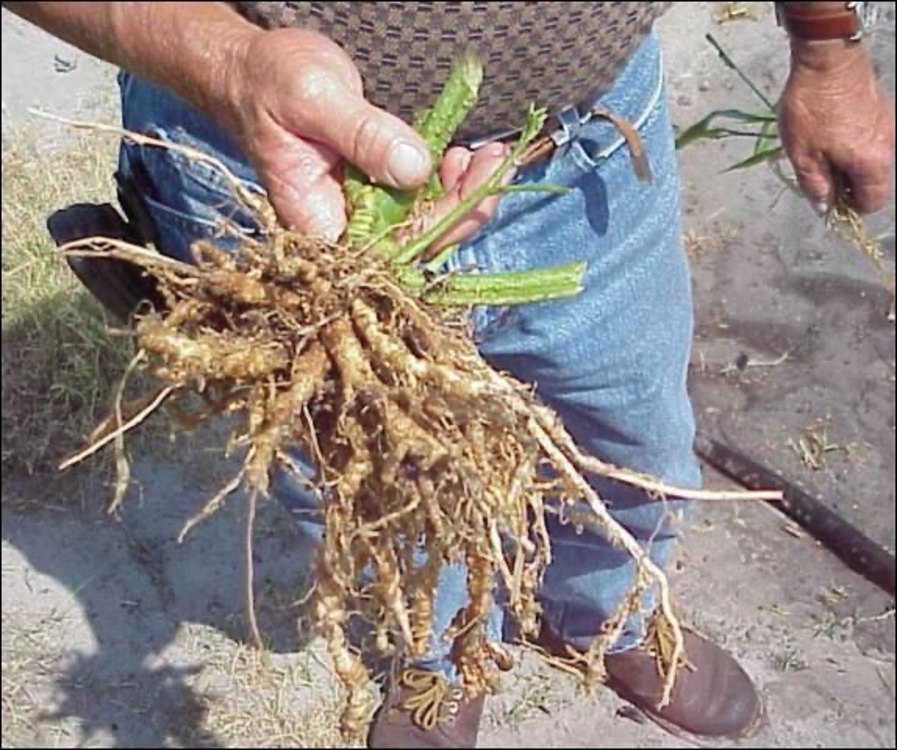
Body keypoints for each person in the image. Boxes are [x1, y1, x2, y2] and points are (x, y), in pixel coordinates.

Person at [5, 2, 894, 748]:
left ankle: (607, 616)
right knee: (364, 479)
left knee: (634, 435)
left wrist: (825, 41)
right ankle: (436, 655)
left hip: (583, 148)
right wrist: (229, 63)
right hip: (259, 160)